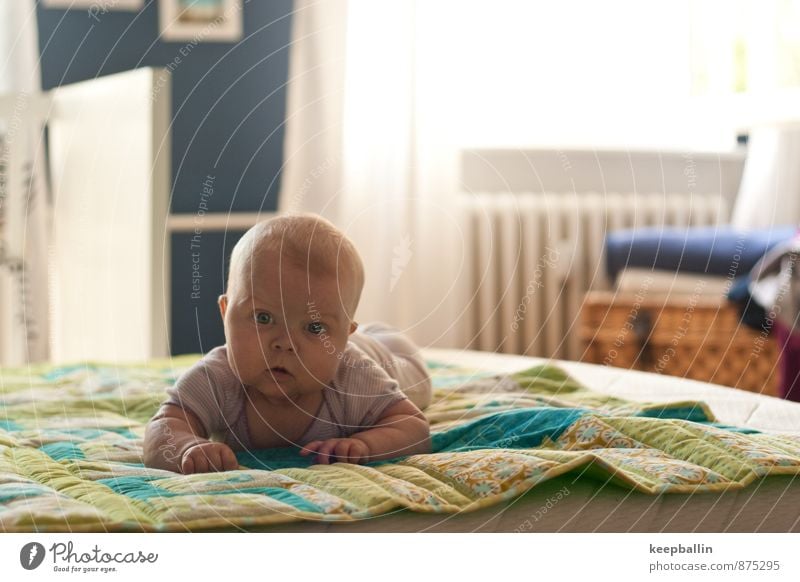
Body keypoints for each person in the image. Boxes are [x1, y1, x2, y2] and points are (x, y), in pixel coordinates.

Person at [144, 214, 432, 474]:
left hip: (389, 353)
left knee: (419, 387)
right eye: (263, 317)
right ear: (225, 313)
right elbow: (163, 428)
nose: (284, 344)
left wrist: (366, 444)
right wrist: (186, 448)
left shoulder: (355, 377)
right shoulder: (216, 379)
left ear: (344, 339)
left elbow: (414, 427)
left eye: (314, 327)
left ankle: (365, 335)